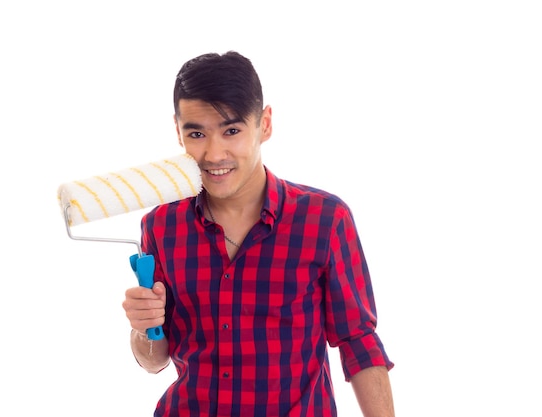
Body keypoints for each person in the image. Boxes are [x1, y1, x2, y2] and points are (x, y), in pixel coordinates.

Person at [122, 51, 395, 417]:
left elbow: (358, 343)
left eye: (231, 131)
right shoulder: (160, 226)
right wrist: (144, 329)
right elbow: (154, 361)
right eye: (197, 133)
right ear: (178, 131)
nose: (214, 153)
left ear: (264, 124)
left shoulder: (325, 220)